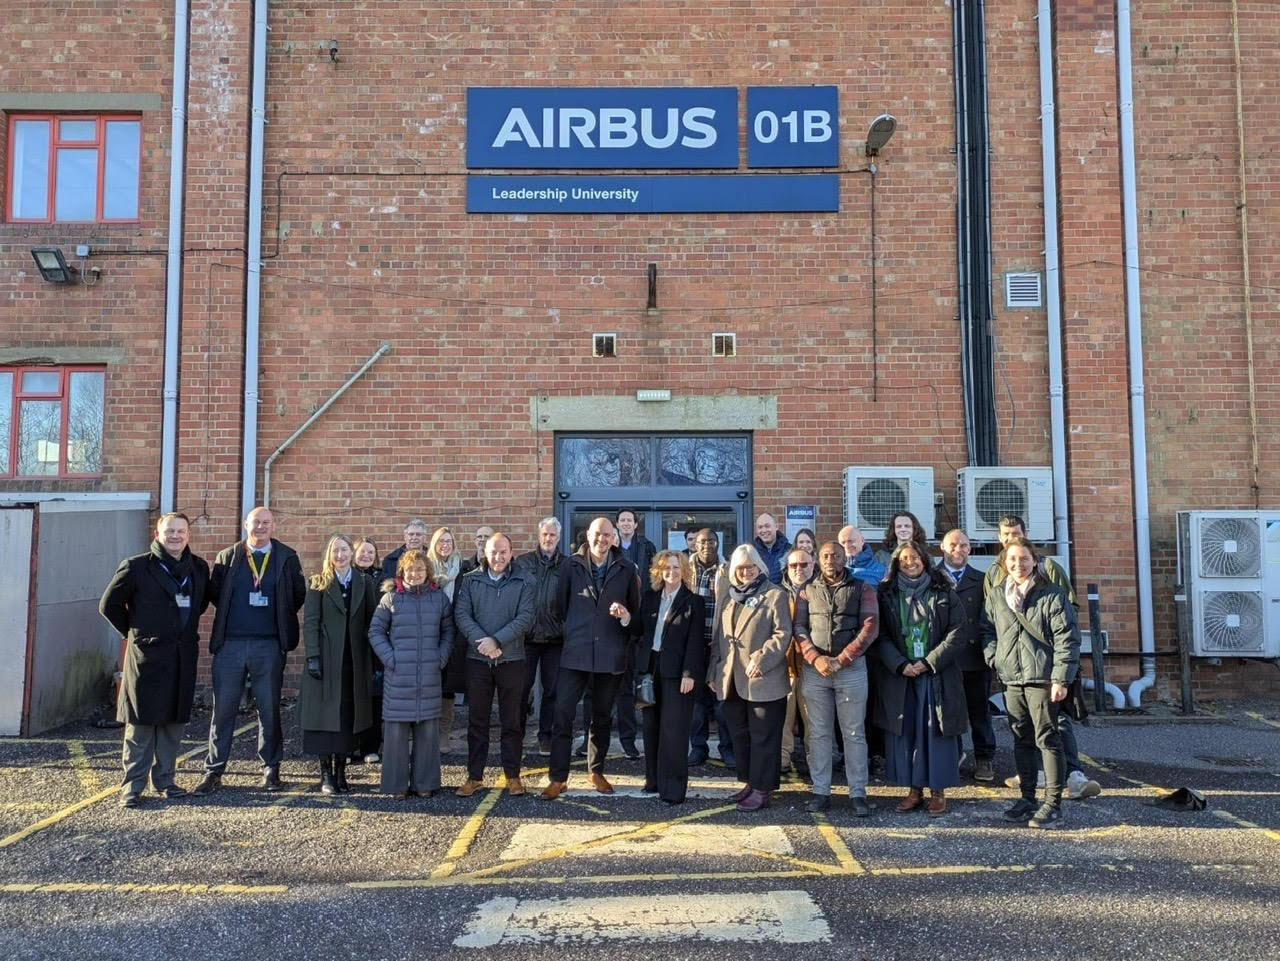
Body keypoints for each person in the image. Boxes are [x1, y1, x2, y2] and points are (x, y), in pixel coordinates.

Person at [984, 514, 1101, 800]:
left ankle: (1072, 775)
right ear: (999, 539)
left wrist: (1060, 666)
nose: (1011, 539)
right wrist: (997, 658)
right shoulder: (993, 573)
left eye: (1016, 533)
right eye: (1005, 535)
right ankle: (1033, 775)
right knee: (1023, 731)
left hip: (1045, 666)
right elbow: (990, 622)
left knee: (1056, 724)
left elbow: (1067, 611)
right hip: (1014, 668)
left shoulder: (1049, 568)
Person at [99, 512, 212, 808]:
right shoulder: (136, 566)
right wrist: (134, 632)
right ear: (157, 534)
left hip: (181, 655)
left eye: (181, 531)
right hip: (147, 656)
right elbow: (108, 604)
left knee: (173, 721)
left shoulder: (198, 568)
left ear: (188, 535)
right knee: (141, 723)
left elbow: (198, 605)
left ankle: (165, 780)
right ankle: (133, 786)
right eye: (169, 531)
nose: (175, 536)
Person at [194, 506, 305, 796]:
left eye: (266, 523)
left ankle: (271, 767)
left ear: (274, 525)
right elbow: (216, 594)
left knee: (268, 709)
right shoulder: (228, 557)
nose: (261, 527)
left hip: (268, 644)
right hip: (231, 644)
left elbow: (297, 595)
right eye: (256, 522)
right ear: (246, 525)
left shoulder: (287, 557)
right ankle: (214, 770)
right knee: (223, 710)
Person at [542, 517, 642, 800]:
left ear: (614, 538)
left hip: (610, 654)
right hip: (575, 653)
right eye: (598, 534)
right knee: (563, 715)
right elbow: (559, 607)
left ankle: (596, 771)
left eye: (607, 535)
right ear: (588, 535)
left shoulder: (626, 568)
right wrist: (575, 630)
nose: (602, 539)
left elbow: (636, 616)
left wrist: (625, 617)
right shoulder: (570, 566)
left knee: (600, 717)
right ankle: (557, 778)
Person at [873, 543, 969, 816]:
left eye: (914, 557)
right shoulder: (886, 593)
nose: (909, 562)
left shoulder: (943, 590)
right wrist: (900, 664)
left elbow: (957, 631)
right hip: (902, 675)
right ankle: (914, 790)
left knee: (935, 731)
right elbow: (880, 635)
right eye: (904, 559)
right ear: (896, 563)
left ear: (924, 561)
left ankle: (937, 792)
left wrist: (929, 662)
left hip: (935, 674)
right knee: (908, 734)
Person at [793, 542, 879, 816]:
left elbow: (870, 627)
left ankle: (858, 793)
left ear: (845, 558)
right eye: (826, 556)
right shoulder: (806, 590)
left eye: (836, 556)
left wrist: (842, 659)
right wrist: (815, 658)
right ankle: (821, 791)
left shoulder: (862, 587)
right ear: (819, 559)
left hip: (851, 670)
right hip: (815, 671)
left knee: (853, 733)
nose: (831, 560)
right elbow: (799, 627)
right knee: (818, 733)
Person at [709, 544, 793, 812]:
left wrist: (762, 658)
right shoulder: (729, 597)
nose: (746, 572)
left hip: (762, 679)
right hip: (731, 679)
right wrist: (714, 671)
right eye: (740, 568)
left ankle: (762, 788)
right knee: (740, 735)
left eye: (750, 567)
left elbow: (783, 635)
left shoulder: (774, 595)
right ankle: (749, 782)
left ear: (760, 567)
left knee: (764, 737)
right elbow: (720, 639)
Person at [454, 532, 536, 797]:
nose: (498, 557)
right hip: (478, 660)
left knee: (511, 721)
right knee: (477, 720)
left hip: (512, 660)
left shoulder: (525, 581)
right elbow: (462, 615)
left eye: (503, 552)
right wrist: (484, 643)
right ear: (484, 554)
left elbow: (525, 618)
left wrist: (497, 640)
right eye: (493, 552)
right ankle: (474, 776)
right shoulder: (470, 580)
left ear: (511, 553)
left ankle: (513, 776)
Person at [368, 549, 455, 798]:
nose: (415, 574)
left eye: (419, 569)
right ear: (402, 572)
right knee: (395, 734)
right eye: (410, 570)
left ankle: (425, 783)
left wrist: (441, 657)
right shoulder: (390, 598)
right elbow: (375, 632)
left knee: (428, 732)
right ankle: (396, 785)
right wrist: (391, 659)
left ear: (427, 571)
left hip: (429, 673)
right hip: (399, 675)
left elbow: (449, 631)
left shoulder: (439, 599)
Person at [300, 534, 378, 795]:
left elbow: (371, 621)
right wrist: (313, 656)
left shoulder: (364, 582)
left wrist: (374, 658)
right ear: (329, 555)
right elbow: (310, 622)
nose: (341, 556)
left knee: (347, 719)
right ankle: (326, 775)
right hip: (326, 661)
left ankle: (342, 773)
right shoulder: (317, 583)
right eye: (336, 551)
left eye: (345, 550)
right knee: (324, 719)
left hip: (353, 662)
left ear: (351, 553)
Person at [638, 550, 707, 805]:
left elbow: (696, 642)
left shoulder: (693, 602)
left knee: (674, 731)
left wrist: (690, 674)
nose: (671, 572)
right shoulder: (650, 598)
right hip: (650, 668)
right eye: (666, 568)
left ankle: (674, 788)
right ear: (659, 571)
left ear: (684, 571)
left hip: (678, 672)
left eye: (676, 567)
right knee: (651, 728)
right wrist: (624, 617)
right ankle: (653, 781)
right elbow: (639, 630)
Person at [938, 528, 996, 782]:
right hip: (944, 657)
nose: (958, 550)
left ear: (970, 549)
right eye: (952, 545)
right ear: (942, 547)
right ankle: (954, 756)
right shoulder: (932, 577)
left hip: (974, 657)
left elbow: (989, 620)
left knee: (979, 711)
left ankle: (984, 759)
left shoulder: (982, 580)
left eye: (963, 545)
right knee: (949, 711)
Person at [513, 517, 567, 758]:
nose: (548, 539)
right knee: (520, 689)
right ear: (538, 536)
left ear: (559, 538)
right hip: (526, 637)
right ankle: (518, 736)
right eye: (545, 534)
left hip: (555, 638)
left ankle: (546, 737)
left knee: (552, 690)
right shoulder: (522, 563)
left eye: (553, 535)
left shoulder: (567, 565)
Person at [687, 528, 735, 768]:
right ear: (694, 544)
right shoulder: (685, 570)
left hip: (719, 644)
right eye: (702, 541)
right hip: (694, 646)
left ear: (718, 544)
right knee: (696, 703)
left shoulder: (728, 571)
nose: (707, 545)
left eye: (712, 541)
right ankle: (698, 747)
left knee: (722, 700)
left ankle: (727, 748)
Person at [612, 508, 655, 759]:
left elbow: (651, 583)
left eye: (630, 520)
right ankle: (595, 738)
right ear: (616, 525)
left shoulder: (647, 547)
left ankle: (630, 739)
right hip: (610, 622)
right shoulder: (609, 547)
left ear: (635, 525)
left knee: (630, 686)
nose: (626, 523)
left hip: (637, 623)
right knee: (603, 687)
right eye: (622, 520)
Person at [427, 526, 465, 754]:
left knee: (449, 685)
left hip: (455, 632)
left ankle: (444, 733)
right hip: (431, 632)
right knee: (431, 682)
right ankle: (428, 732)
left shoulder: (462, 568)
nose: (445, 545)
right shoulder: (426, 568)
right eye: (441, 541)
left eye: (449, 541)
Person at [780, 547, 816, 775]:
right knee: (783, 716)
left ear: (813, 566)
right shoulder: (777, 593)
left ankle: (817, 760)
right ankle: (782, 758)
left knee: (813, 717)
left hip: (813, 664)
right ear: (787, 568)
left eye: (804, 565)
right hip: (784, 664)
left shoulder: (820, 590)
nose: (799, 569)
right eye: (794, 565)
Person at [351, 538, 384, 764]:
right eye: (362, 552)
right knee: (352, 697)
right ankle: (351, 746)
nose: (366, 556)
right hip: (352, 643)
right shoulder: (347, 577)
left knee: (374, 698)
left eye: (371, 552)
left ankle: (371, 747)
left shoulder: (382, 579)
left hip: (375, 644)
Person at [753, 513, 792, 585]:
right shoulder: (751, 552)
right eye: (760, 527)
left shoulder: (789, 550)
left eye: (767, 526)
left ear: (776, 527)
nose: (764, 530)